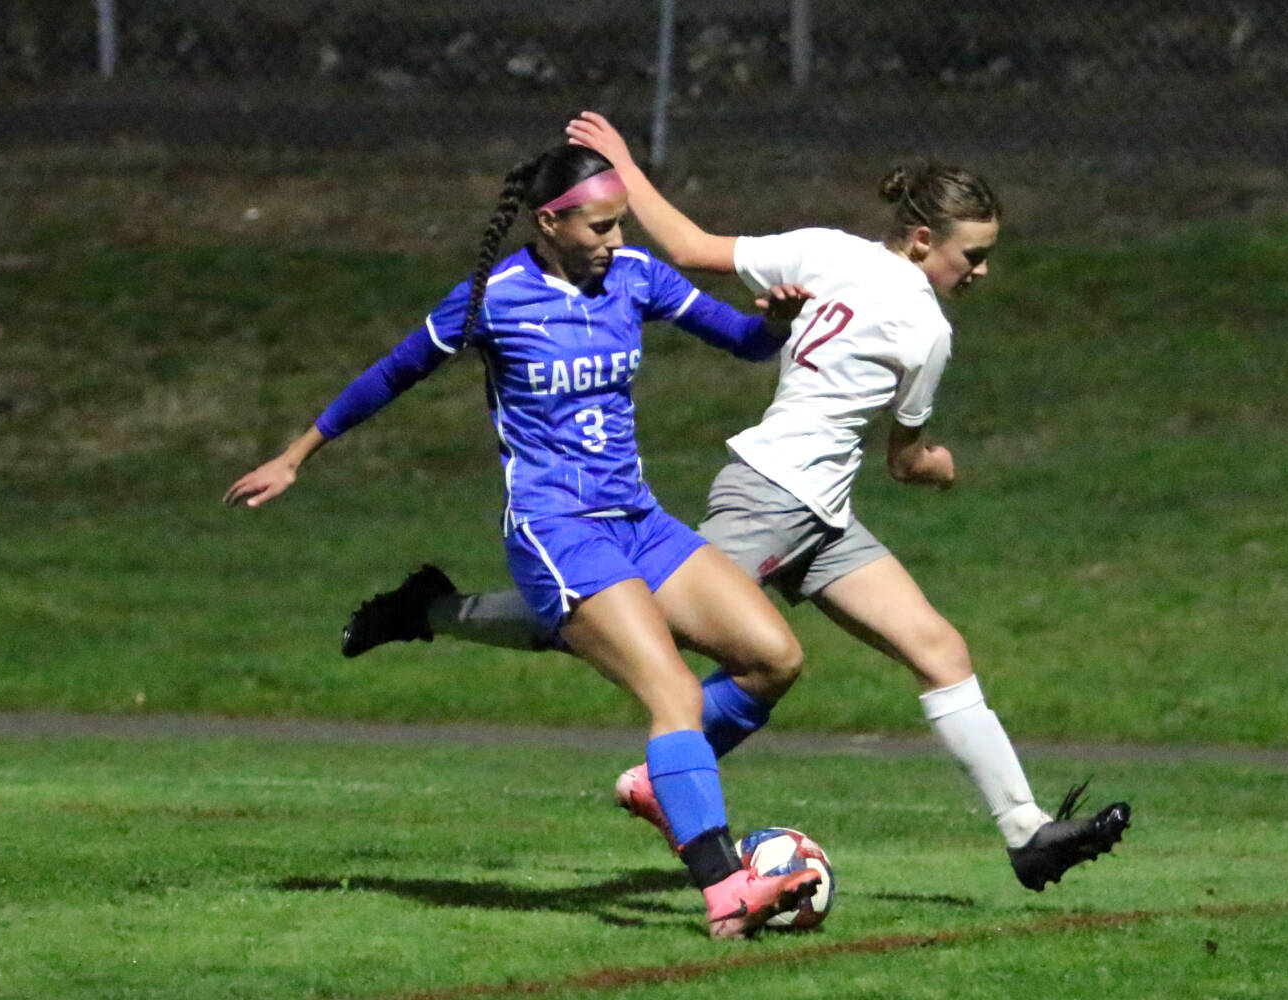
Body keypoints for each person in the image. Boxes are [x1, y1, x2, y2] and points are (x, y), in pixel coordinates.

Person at [340, 113, 1131, 892]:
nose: (982, 271)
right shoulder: (928, 328)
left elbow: (688, 247)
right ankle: (437, 616)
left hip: (823, 512)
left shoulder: (828, 248)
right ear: (924, 240)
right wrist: (942, 468)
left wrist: (626, 162)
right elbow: (905, 459)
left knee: (939, 649)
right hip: (768, 497)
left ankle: (1026, 833)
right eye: (975, 255)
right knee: (606, 618)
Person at [224, 140, 824, 939]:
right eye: (602, 227)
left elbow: (745, 343)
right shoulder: (496, 297)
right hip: (554, 531)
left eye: (620, 226)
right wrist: (298, 454)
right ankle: (722, 888)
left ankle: (663, 780)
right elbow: (394, 372)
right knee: (674, 693)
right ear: (550, 222)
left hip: (638, 520)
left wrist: (771, 322)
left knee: (772, 659)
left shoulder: (637, 278)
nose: (616, 241)